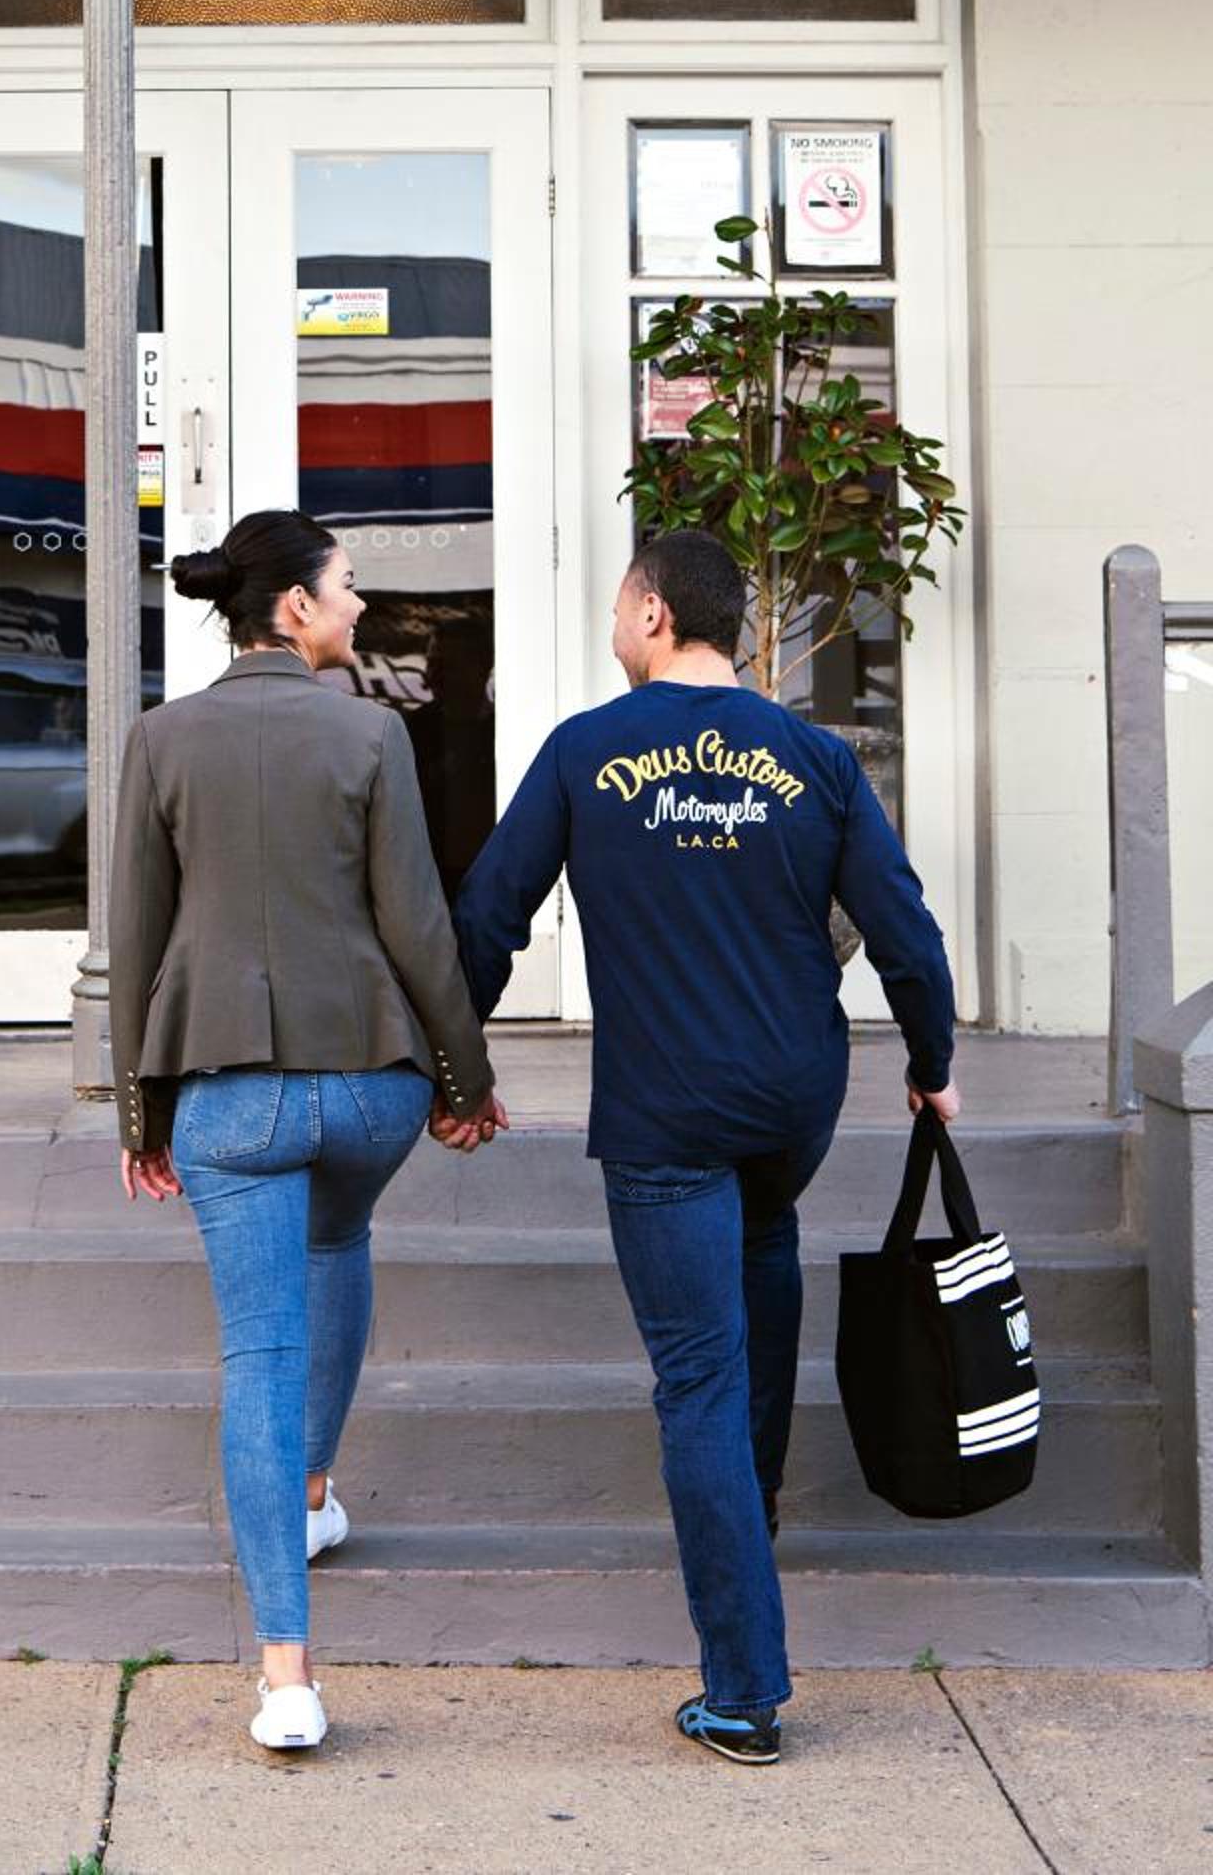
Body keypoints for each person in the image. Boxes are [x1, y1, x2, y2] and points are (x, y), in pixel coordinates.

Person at [450, 528, 958, 1769]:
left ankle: (740, 1687)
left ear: (652, 614)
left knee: (696, 1381)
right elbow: (902, 928)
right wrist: (930, 1060)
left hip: (666, 1111)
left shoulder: (584, 751)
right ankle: (753, 1515)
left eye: (614, 607)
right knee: (760, 1258)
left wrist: (457, 1070)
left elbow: (488, 915)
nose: (609, 628)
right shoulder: (814, 759)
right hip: (789, 1103)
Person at [112, 507, 508, 1753]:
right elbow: (418, 927)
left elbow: (135, 939)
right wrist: (462, 1078)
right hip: (370, 1089)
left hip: (228, 1096)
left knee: (258, 1357)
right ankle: (315, 1492)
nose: (358, 605)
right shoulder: (371, 735)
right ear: (292, 607)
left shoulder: (159, 739)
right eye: (345, 586)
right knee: (335, 1242)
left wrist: (139, 1109)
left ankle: (285, 1676)